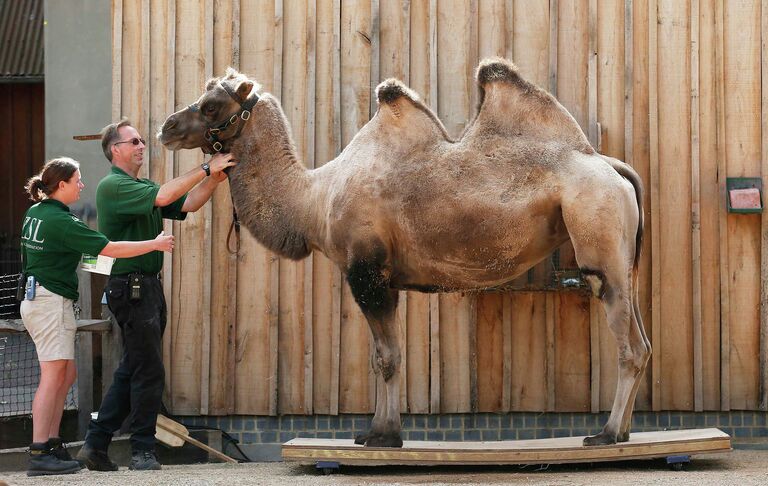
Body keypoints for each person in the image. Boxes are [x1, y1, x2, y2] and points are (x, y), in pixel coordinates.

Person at [76, 119, 236, 471]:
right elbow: (166, 195)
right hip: (131, 288)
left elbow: (188, 204)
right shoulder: (114, 186)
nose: (141, 146)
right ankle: (142, 451)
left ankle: (95, 443)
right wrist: (206, 166)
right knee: (149, 371)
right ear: (115, 150)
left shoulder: (140, 187)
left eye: (142, 141)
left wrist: (214, 178)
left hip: (145, 286)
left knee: (131, 368)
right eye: (133, 141)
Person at [20, 157, 175, 477]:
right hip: (49, 301)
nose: (82, 185)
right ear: (61, 185)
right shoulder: (62, 221)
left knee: (67, 374)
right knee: (53, 377)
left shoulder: (35, 213)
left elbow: (86, 254)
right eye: (77, 180)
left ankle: (51, 444)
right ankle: (39, 452)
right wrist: (156, 243)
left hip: (40, 298)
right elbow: (109, 249)